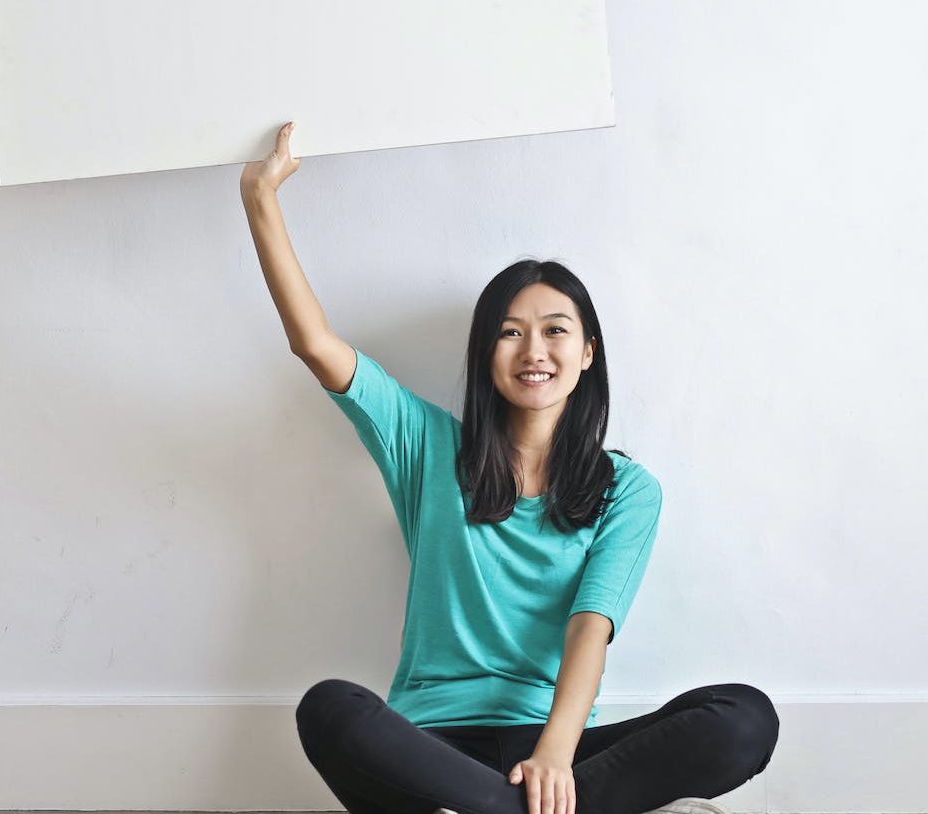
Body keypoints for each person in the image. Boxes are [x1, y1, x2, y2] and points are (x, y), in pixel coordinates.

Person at [240, 121, 779, 814]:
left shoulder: (625, 490)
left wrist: (554, 754)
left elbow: (592, 624)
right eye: (509, 330)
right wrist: (260, 196)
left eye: (556, 329)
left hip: (561, 751)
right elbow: (315, 345)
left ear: (587, 353)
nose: (534, 349)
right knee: (330, 708)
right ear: (485, 355)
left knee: (741, 717)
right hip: (431, 747)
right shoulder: (426, 446)